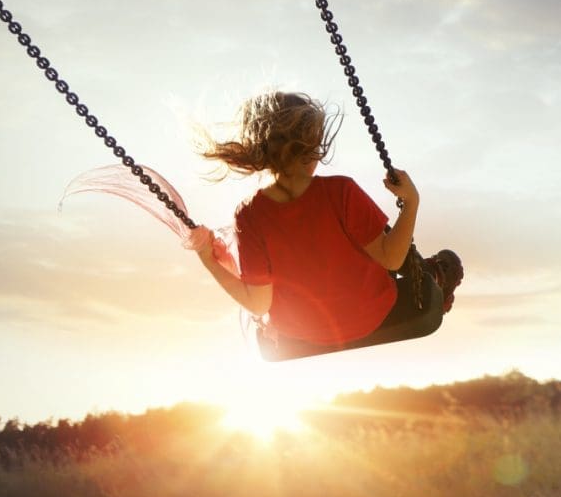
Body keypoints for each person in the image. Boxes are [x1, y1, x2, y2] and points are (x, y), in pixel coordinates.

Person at [191, 91, 463, 354]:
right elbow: (391, 257)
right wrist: (411, 202)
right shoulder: (341, 192)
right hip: (370, 313)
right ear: (312, 148)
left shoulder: (249, 214)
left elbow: (259, 303)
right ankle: (431, 274)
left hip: (300, 329)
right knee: (382, 238)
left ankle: (425, 271)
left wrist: (208, 259)